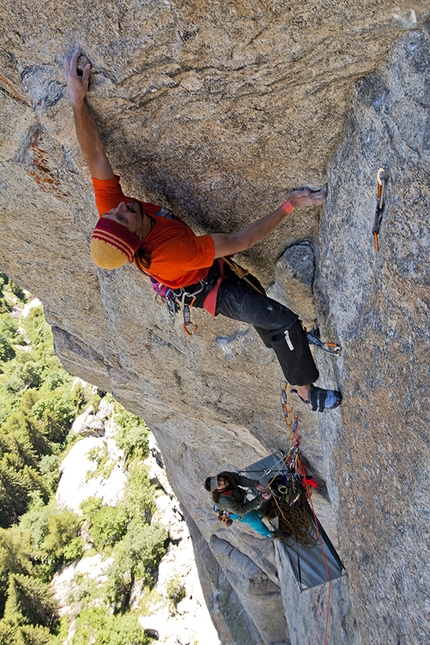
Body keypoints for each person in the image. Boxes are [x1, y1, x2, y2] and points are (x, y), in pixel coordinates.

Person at [63, 50, 342, 412]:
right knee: (283, 322)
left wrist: (76, 100)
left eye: (113, 213)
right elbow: (243, 240)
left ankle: (298, 346)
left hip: (207, 271)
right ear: (135, 239)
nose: (119, 207)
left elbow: (95, 155)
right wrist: (290, 205)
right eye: (121, 217)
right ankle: (305, 391)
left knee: (265, 312)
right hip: (212, 288)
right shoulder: (171, 252)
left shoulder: (113, 218)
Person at [205, 472, 277, 538]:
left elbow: (239, 479)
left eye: (219, 479)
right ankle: (269, 534)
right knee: (256, 522)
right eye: (219, 484)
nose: (222, 481)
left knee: (254, 512)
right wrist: (262, 498)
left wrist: (255, 484)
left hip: (240, 499)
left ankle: (259, 513)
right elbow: (242, 510)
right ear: (218, 490)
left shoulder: (225, 475)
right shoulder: (225, 501)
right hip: (239, 512)